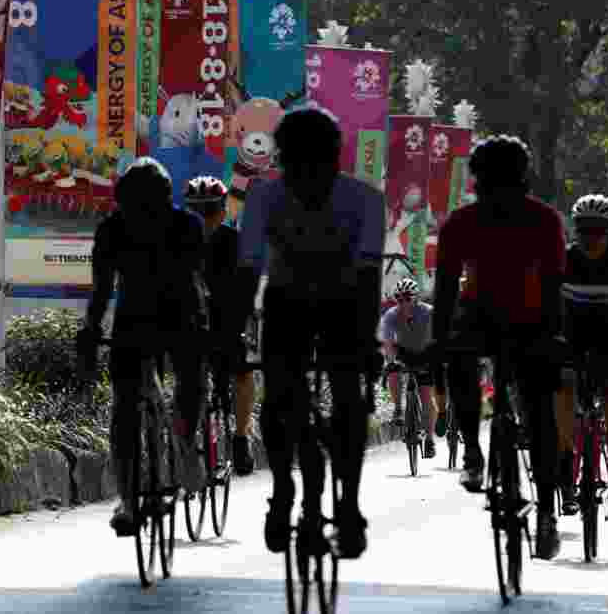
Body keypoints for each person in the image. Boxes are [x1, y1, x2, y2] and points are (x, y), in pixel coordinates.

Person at [236, 108, 385, 559]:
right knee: (279, 400)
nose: (307, 178)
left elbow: (368, 278)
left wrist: (368, 342)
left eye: (315, 166)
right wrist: (233, 332)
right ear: (284, 162)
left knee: (349, 399)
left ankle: (349, 505)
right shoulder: (264, 196)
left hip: (344, 303)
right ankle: (283, 490)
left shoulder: (364, 200)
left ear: (334, 161)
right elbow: (249, 270)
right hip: (288, 302)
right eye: (296, 166)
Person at [430, 134, 567, 561]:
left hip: (478, 319)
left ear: (476, 178)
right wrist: (554, 338)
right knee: (541, 413)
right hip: (532, 322)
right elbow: (553, 286)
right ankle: (547, 514)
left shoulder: (462, 221)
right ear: (523, 175)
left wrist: (439, 341)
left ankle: (471, 449)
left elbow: (446, 291)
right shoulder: (544, 219)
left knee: (460, 363)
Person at [76, 157, 210, 537]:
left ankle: (131, 495)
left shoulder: (117, 227)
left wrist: (90, 331)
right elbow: (198, 283)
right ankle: (183, 442)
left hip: (155, 318)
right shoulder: (185, 224)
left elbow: (101, 291)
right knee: (172, 386)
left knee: (127, 406)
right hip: (170, 318)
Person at [555, 194, 608, 522]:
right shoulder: (561, 259)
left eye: (599, 230)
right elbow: (553, 309)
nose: (592, 237)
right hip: (570, 335)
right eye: (585, 230)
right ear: (576, 231)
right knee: (562, 388)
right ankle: (565, 462)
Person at [184, 175, 256, 476]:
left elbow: (248, 291)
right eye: (197, 211)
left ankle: (240, 437)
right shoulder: (178, 243)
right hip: (189, 324)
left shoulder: (236, 243)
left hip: (227, 321)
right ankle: (186, 448)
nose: (204, 218)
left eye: (210, 210)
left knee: (242, 371)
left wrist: (240, 327)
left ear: (223, 212)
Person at [379, 277, 439, 459]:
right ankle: (398, 408)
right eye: (399, 298)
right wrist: (390, 362)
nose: (403, 302)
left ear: (416, 298)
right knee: (393, 370)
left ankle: (429, 439)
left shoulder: (428, 312)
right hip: (404, 352)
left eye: (407, 297)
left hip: (425, 352)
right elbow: (388, 342)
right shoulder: (390, 315)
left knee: (427, 397)